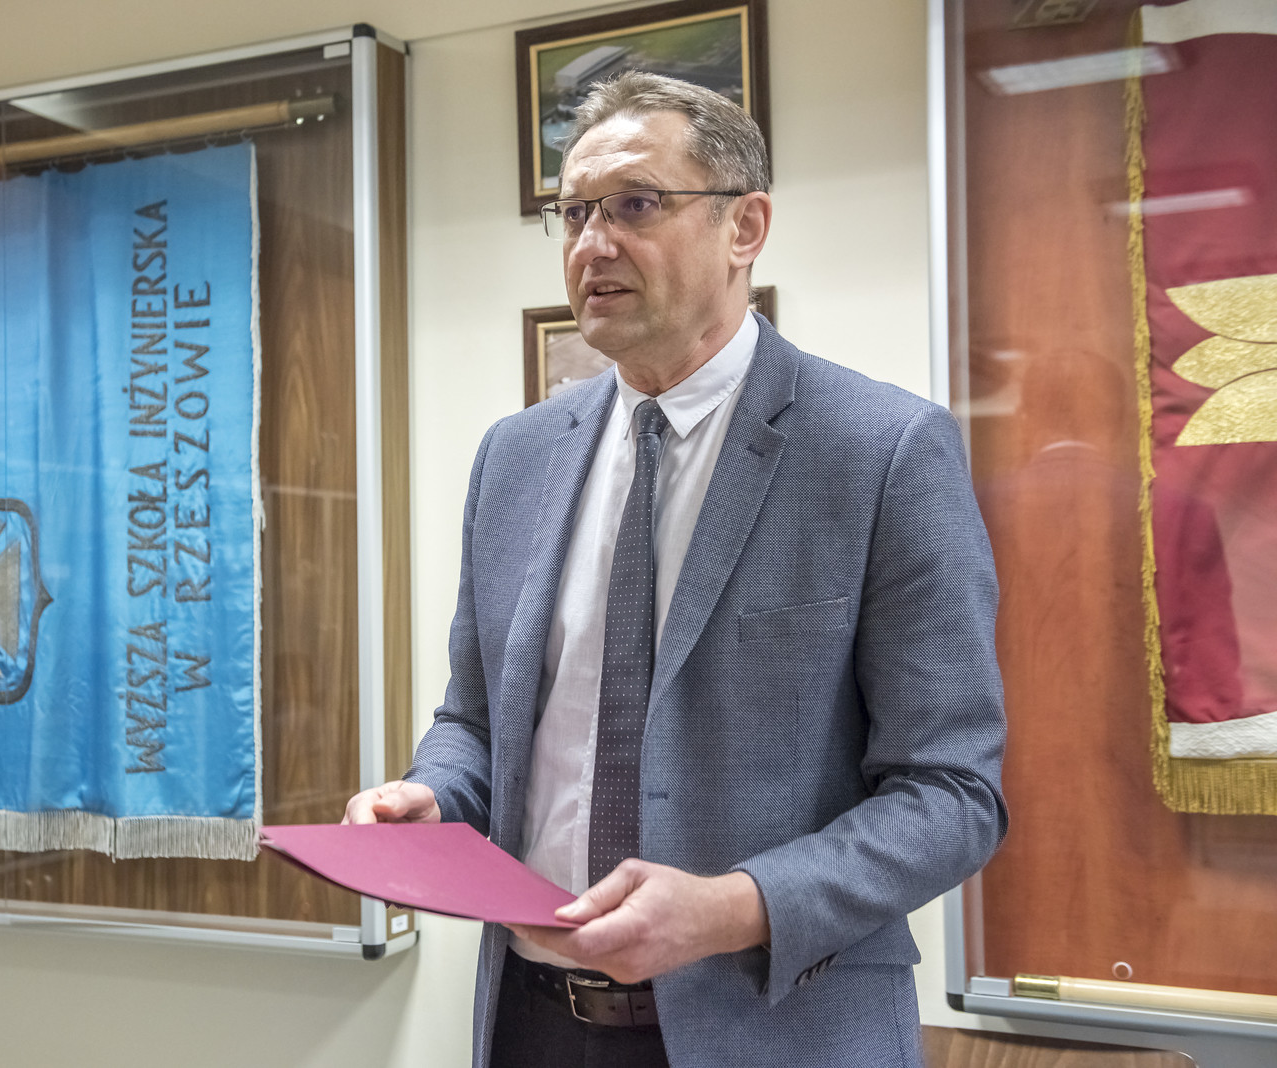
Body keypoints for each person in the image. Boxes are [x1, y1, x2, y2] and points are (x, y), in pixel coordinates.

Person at [344, 71, 1007, 1068]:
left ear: (746, 226)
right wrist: (434, 797)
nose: (592, 243)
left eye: (636, 205)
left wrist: (734, 906)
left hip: (777, 1028)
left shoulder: (881, 451)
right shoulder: (515, 457)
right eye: (574, 212)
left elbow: (952, 795)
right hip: (531, 1019)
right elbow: (475, 723)